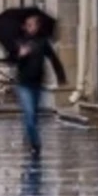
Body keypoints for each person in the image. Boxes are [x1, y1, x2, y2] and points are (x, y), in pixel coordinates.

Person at [11, 13, 67, 157]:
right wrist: (20, 56)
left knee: (34, 116)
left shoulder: (43, 42)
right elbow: (11, 60)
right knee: (29, 114)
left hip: (37, 83)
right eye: (29, 24)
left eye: (34, 24)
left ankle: (31, 139)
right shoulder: (19, 41)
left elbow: (53, 59)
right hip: (23, 84)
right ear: (24, 26)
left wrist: (61, 76)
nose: (32, 27)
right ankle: (36, 144)